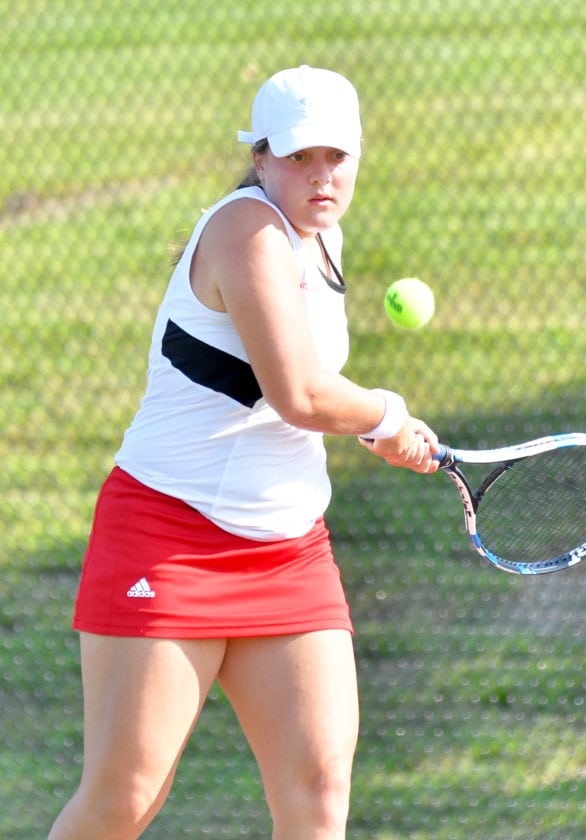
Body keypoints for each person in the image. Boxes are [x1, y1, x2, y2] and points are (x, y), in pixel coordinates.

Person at [48, 65, 439, 840]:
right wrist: (387, 415)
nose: (320, 175)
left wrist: (369, 423)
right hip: (167, 535)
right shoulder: (246, 230)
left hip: (289, 548)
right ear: (260, 158)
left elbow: (300, 387)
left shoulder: (322, 237)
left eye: (336, 156)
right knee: (126, 797)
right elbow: (298, 393)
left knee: (318, 793)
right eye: (298, 156)